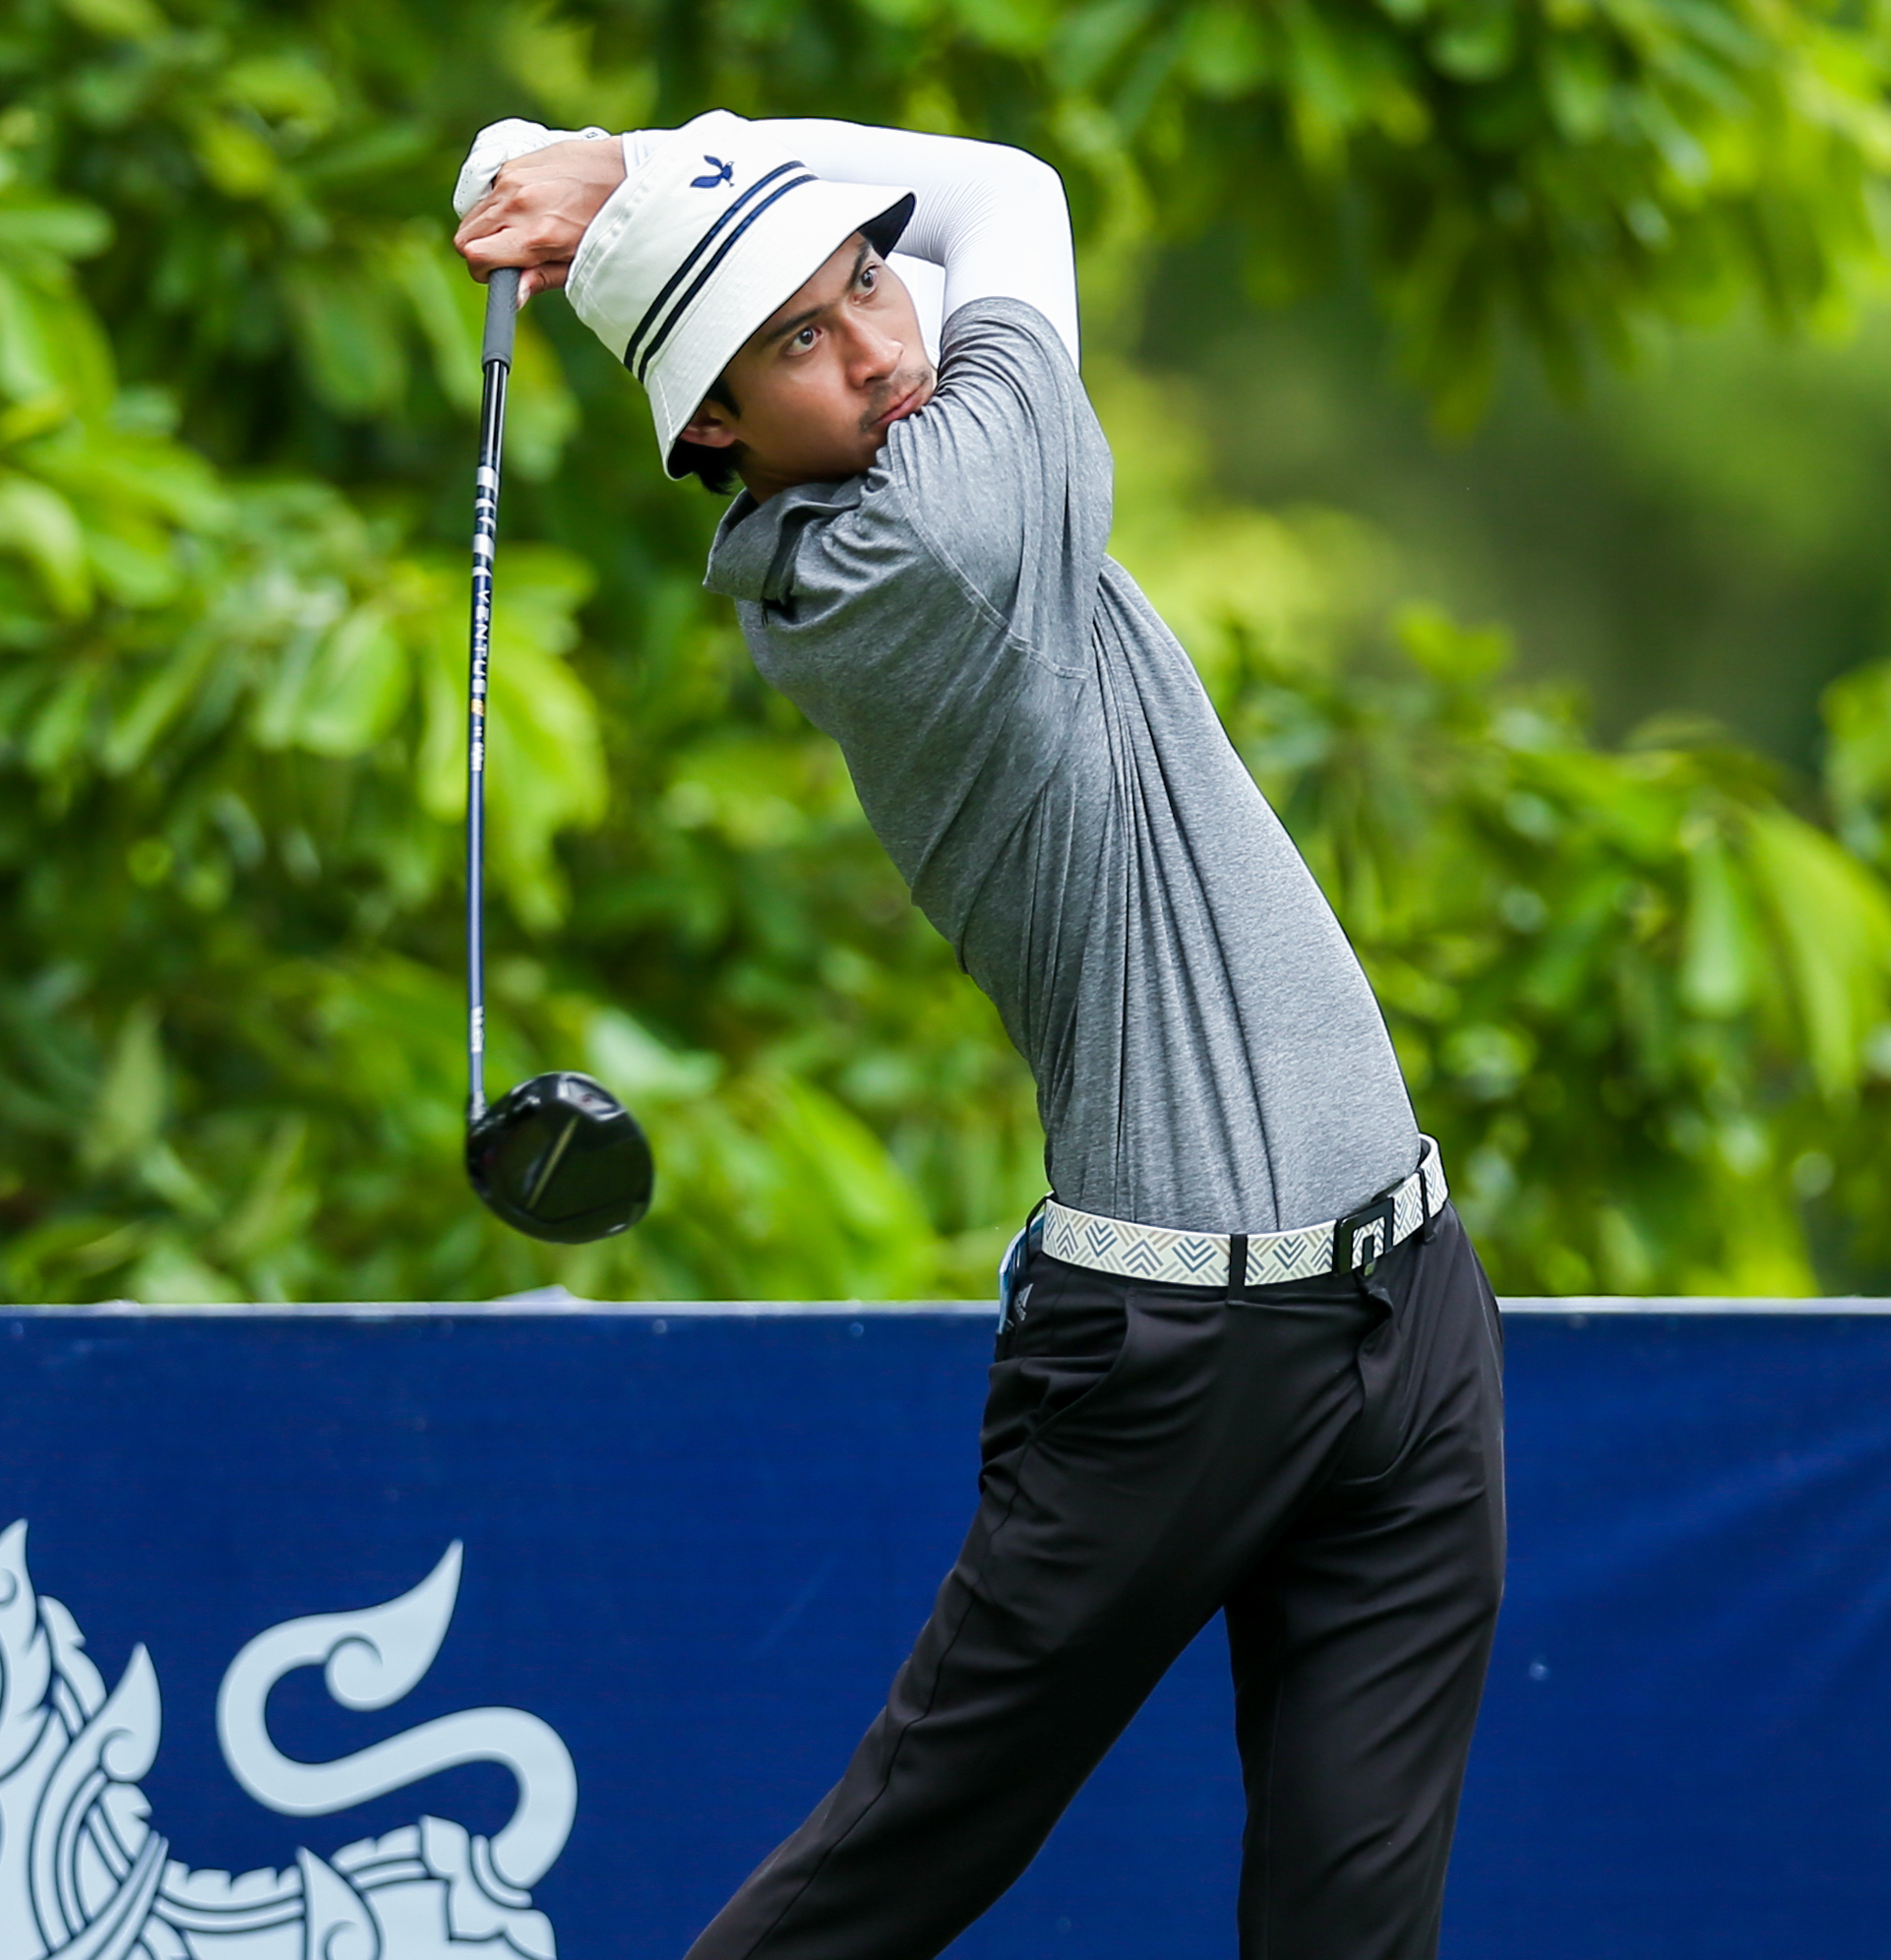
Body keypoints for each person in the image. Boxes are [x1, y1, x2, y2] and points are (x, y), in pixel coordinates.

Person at [451, 111, 1505, 1960]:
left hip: (1406, 1296)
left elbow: (950, 240)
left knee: (1354, 1930)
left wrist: (653, 176)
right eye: (799, 337)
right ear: (715, 431)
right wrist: (645, 165)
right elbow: (1010, 192)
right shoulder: (923, 539)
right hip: (1177, 1357)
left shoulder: (921, 442)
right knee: (890, 1867)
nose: (877, 343)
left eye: (866, 277)